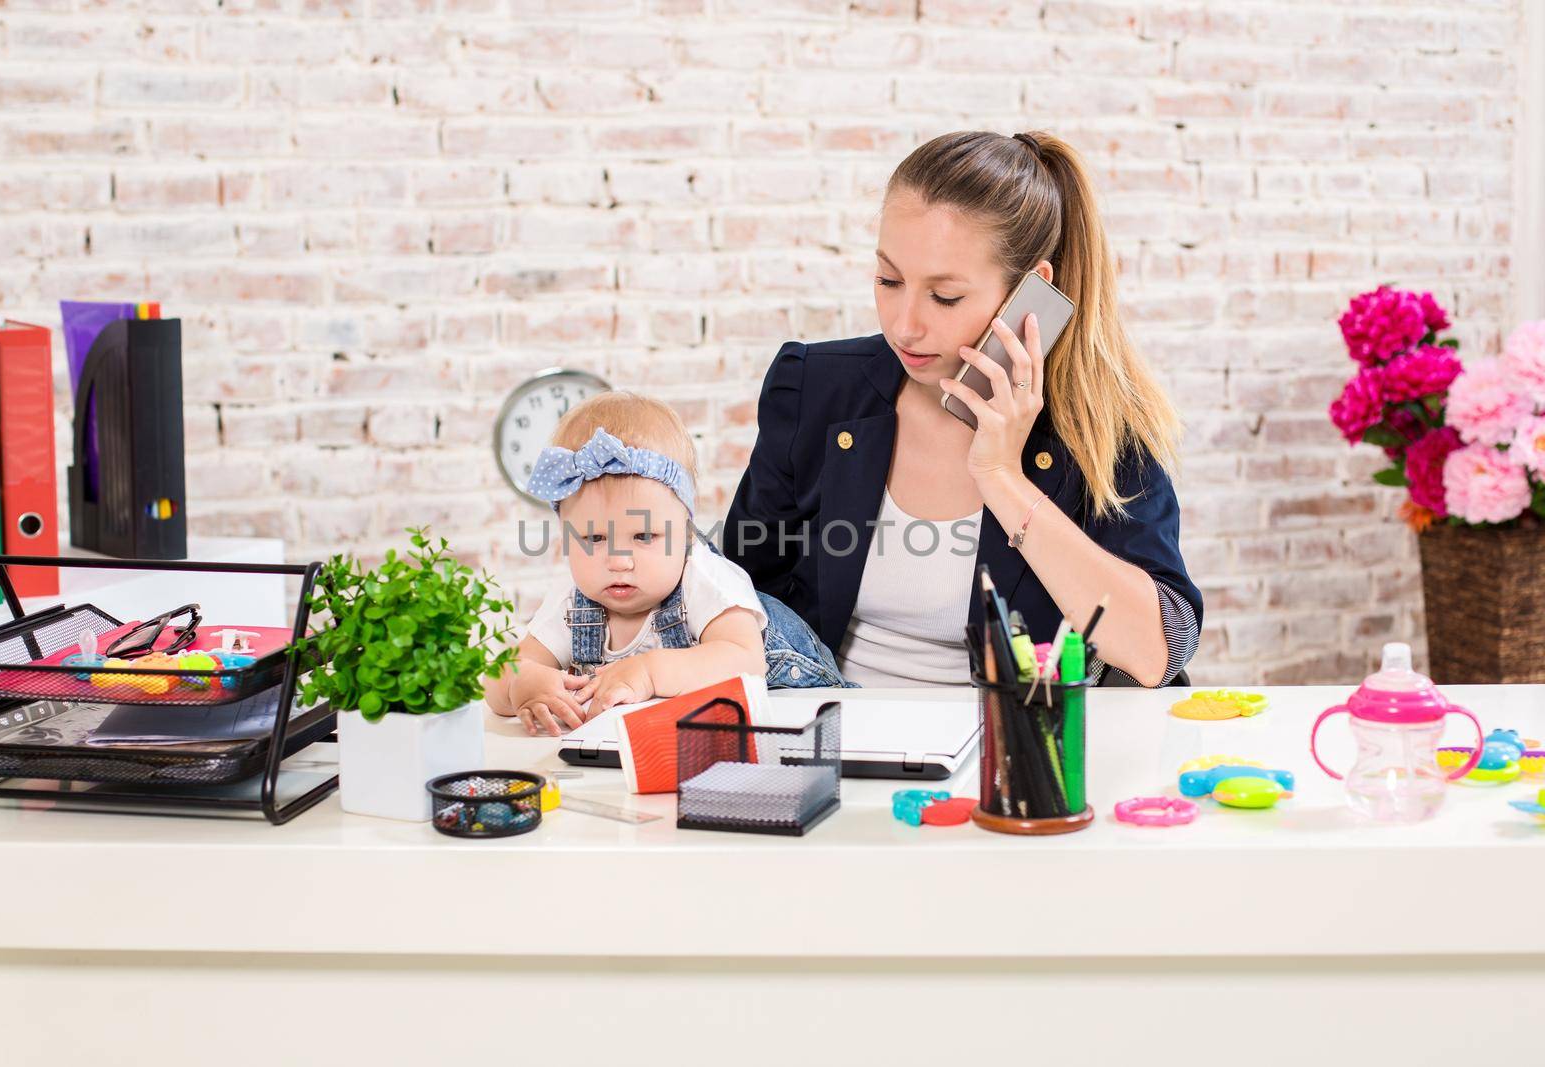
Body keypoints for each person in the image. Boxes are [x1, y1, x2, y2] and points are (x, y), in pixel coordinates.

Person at [722, 130, 1201, 688]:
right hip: (836, 741)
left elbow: (1158, 652)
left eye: (945, 296)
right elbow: (732, 596)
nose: (905, 325)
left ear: (1029, 292)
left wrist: (1002, 477)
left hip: (1010, 756)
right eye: (888, 279)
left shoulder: (1096, 429)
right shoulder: (814, 389)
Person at [487, 392, 844, 736]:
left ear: (687, 534)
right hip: (670, 741)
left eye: (644, 537)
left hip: (799, 716)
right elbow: (495, 682)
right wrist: (524, 683)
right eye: (593, 539)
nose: (619, 561)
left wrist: (648, 672)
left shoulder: (702, 580)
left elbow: (745, 663)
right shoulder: (572, 602)